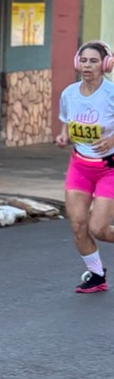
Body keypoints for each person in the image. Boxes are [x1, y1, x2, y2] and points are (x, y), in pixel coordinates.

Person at [55, 41, 114, 293]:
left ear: (105, 65)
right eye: (84, 60)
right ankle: (97, 275)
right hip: (79, 166)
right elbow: (66, 123)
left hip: (109, 168)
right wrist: (63, 136)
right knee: (78, 225)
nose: (87, 65)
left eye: (93, 61)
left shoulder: (111, 94)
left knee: (98, 228)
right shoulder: (69, 93)